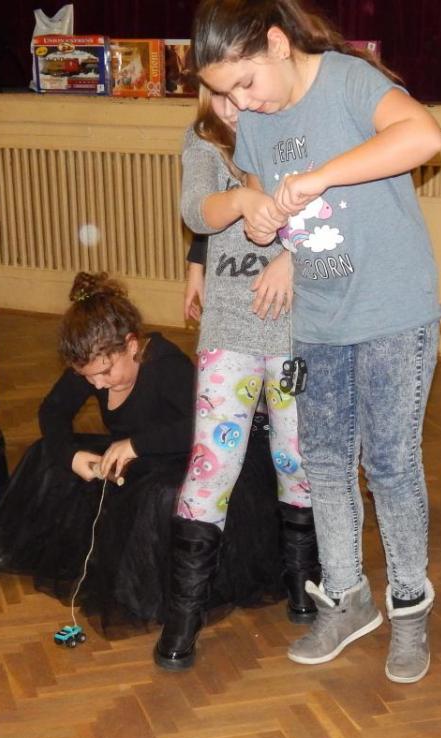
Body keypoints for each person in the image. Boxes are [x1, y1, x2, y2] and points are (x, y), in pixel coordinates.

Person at [192, 0, 441, 684]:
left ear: (277, 44)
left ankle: (409, 605)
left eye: (245, 83)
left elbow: (424, 136)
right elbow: (261, 197)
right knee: (325, 463)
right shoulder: (256, 122)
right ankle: (346, 595)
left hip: (393, 311)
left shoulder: (346, 80)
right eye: (225, 93)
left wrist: (323, 174)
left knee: (390, 465)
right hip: (319, 319)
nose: (241, 103)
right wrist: (263, 222)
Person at [0, 271, 281, 631]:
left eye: (105, 373)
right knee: (47, 454)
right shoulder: (94, 362)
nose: (97, 384)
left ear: (131, 345)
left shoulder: (166, 365)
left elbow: (204, 426)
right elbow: (53, 410)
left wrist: (136, 446)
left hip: (192, 455)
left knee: (161, 498)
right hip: (138, 458)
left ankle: (159, 594)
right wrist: (72, 456)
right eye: (88, 377)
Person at [157, 86, 314, 670]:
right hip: (230, 329)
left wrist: (293, 258)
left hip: (298, 329)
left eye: (239, 90)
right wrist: (243, 200)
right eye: (216, 92)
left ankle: (303, 585)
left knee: (296, 460)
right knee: (210, 467)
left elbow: (338, 216)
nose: (229, 105)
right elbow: (197, 210)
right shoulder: (203, 140)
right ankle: (184, 615)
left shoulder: (298, 131)